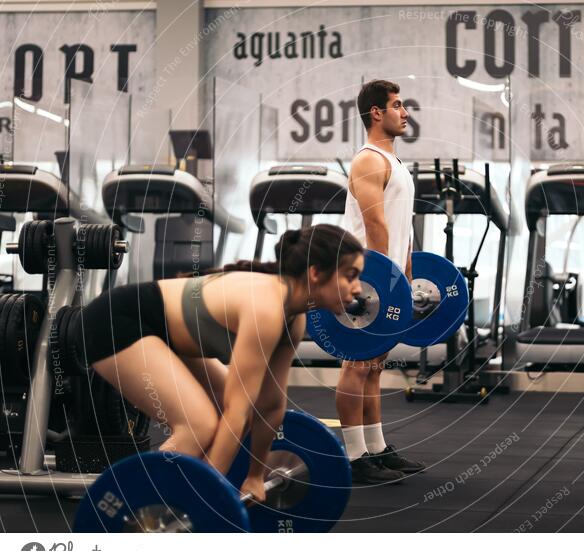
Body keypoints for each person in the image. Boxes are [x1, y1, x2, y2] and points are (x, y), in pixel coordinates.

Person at [82, 224, 363, 502]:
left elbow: (270, 405)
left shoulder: (294, 318)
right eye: (350, 276)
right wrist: (211, 496)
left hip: (166, 335)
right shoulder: (266, 307)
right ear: (315, 273)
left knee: (220, 410)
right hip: (117, 321)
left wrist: (255, 476)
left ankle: (182, 496)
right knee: (199, 425)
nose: (359, 288)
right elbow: (238, 410)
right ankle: (131, 506)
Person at [338, 79, 427, 484]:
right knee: (356, 365)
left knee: (374, 364)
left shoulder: (394, 163)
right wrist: (383, 282)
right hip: (364, 280)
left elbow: (400, 226)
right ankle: (354, 457)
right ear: (377, 112)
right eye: (397, 105)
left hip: (386, 278)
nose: (405, 112)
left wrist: (406, 276)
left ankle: (376, 448)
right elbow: (374, 226)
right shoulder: (368, 160)